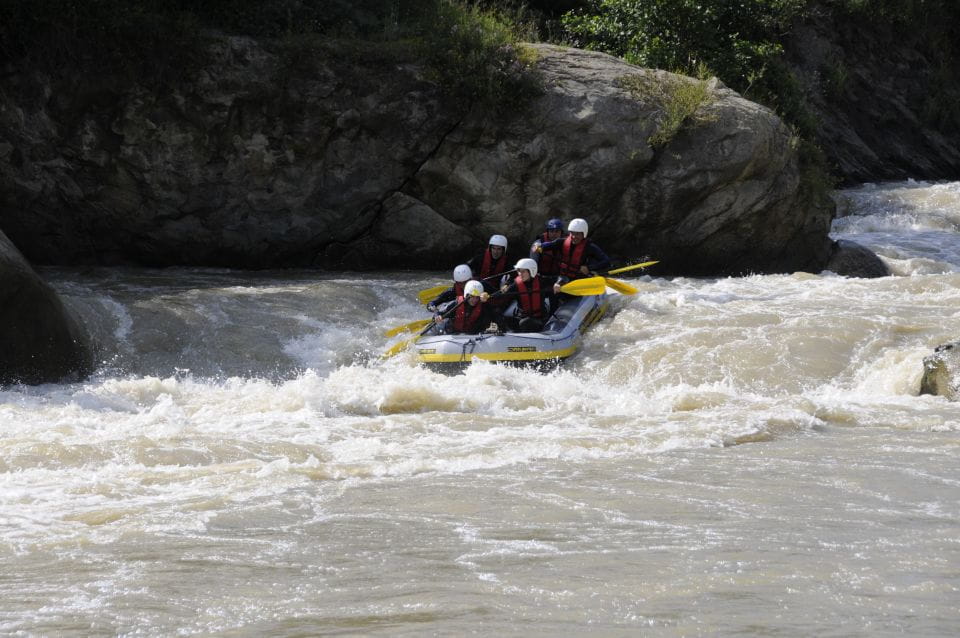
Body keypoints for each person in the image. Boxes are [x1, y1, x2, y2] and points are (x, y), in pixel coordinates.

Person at [538, 218, 611, 295]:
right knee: (555, 288)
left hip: (580, 281)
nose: (574, 236)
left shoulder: (590, 247)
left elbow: (606, 262)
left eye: (577, 234)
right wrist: (538, 246)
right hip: (564, 279)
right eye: (572, 233)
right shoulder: (562, 242)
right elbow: (547, 245)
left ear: (584, 234)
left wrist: (589, 268)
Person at [498, 258, 555, 333]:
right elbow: (501, 296)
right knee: (503, 319)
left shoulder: (542, 281)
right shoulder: (516, 285)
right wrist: (489, 296)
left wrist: (558, 283)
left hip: (539, 319)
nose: (520, 274)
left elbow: (562, 278)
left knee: (525, 322)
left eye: (523, 271)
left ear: (532, 271)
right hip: (522, 318)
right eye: (519, 271)